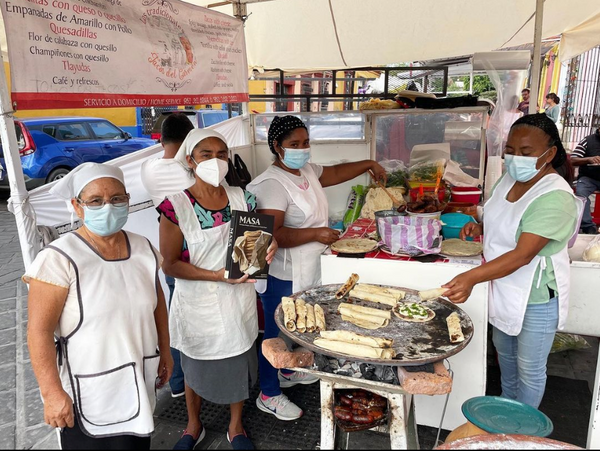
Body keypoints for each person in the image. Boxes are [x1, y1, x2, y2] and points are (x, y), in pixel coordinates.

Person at [247, 115, 387, 420]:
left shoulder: (304, 169)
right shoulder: (272, 184)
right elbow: (274, 235)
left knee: (297, 327)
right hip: (282, 273)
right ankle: (268, 393)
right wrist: (316, 233)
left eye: (306, 142)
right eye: (294, 144)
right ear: (277, 147)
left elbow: (335, 172)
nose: (302, 149)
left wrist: (368, 163)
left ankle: (285, 373)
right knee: (276, 333)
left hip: (308, 268)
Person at [24, 163, 173, 450]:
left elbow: (157, 305)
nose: (108, 206)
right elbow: (38, 333)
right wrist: (52, 393)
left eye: (118, 198)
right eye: (95, 200)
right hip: (89, 390)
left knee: (137, 443)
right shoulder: (58, 258)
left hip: (139, 377)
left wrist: (165, 351)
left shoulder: (143, 248)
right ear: (77, 207)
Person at [443, 113, 582, 409]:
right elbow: (502, 217)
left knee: (529, 369)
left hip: (535, 296)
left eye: (526, 152)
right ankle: (507, 410)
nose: (515, 158)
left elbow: (523, 254)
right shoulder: (508, 179)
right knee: (504, 356)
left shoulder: (555, 196)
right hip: (502, 285)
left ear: (551, 153)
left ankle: (522, 431)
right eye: (510, 150)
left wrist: (471, 278)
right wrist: (479, 226)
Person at [158, 128, 276, 450]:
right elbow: (169, 264)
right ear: (189, 160)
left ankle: (235, 426)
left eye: (221, 154)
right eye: (206, 154)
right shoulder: (175, 207)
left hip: (237, 300)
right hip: (198, 304)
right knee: (194, 364)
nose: (216, 161)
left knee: (239, 363)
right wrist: (216, 276)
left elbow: (252, 245)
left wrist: (269, 244)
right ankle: (193, 424)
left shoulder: (243, 198)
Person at [141, 112, 195, 398]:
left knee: (176, 318)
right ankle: (197, 379)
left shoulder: (148, 170)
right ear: (190, 141)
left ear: (161, 139)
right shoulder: (191, 171)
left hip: (169, 255)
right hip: (197, 255)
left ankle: (177, 383)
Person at [571, 127, 600, 234]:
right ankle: (588, 226)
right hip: (589, 178)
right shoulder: (587, 141)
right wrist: (588, 159)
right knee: (581, 194)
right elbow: (573, 159)